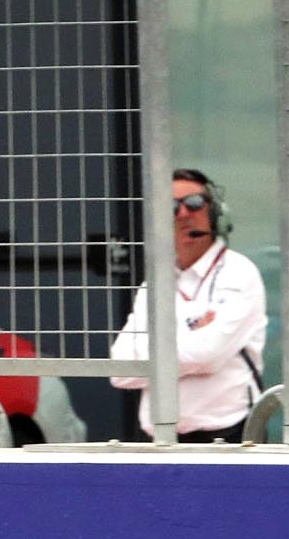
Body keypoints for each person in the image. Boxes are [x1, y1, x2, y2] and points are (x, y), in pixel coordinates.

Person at [110, 168, 267, 442]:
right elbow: (121, 369)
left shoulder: (239, 273)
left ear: (215, 212)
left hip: (229, 437)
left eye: (194, 203)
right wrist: (192, 336)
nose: (183, 214)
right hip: (158, 438)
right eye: (172, 207)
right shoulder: (155, 283)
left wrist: (154, 352)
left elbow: (208, 354)